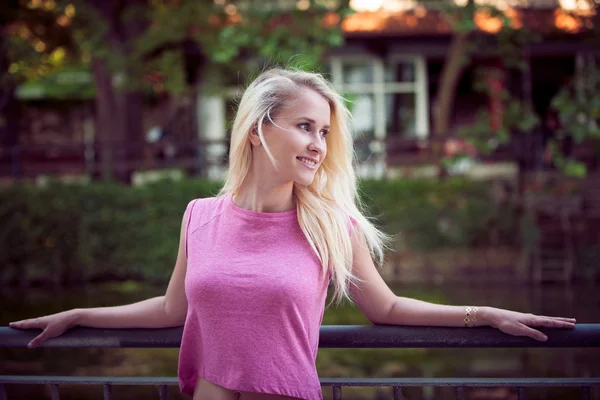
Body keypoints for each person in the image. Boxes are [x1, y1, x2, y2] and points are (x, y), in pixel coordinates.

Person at [9, 68, 577, 400]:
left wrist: (484, 314)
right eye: (305, 126)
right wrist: (79, 316)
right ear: (259, 129)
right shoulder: (199, 215)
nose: (318, 144)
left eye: (325, 132)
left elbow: (388, 307)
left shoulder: (332, 224)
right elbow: (169, 310)